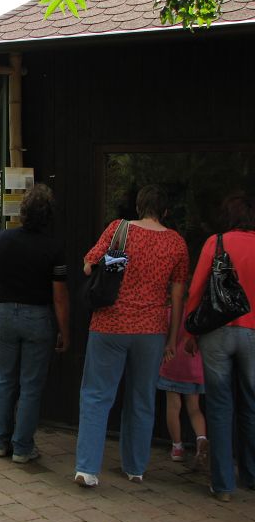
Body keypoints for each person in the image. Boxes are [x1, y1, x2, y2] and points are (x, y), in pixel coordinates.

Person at [74, 184, 188, 487]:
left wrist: (114, 263)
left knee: (97, 395)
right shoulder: (176, 244)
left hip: (110, 325)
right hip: (151, 331)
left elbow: (89, 266)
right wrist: (172, 339)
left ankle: (87, 469)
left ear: (138, 207)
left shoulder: (119, 230)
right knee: (142, 399)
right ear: (165, 211)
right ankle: (135, 467)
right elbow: (177, 296)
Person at [0, 183, 70, 464]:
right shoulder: (54, 248)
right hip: (38, 319)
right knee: (31, 385)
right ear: (48, 216)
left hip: (5, 316)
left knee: (6, 380)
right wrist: (64, 331)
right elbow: (59, 297)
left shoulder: (0, 240)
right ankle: (22, 448)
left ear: (22, 213)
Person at [185, 191, 255, 502]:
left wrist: (190, 330)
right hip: (253, 332)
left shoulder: (216, 243)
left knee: (220, 406)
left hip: (217, 331)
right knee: (251, 404)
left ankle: (223, 484)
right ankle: (251, 475)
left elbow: (198, 286)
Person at [157, 311, 207, 468]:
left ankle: (177, 447)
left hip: (172, 363)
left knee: (173, 407)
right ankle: (201, 440)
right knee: (194, 409)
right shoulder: (198, 312)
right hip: (193, 365)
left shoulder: (170, 312)